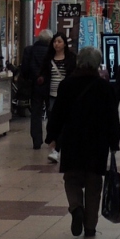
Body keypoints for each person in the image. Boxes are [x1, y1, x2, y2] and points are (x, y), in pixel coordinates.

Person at [46, 46, 120, 238]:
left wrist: (52, 136)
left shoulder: (67, 85)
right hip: (98, 142)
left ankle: (76, 207)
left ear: (78, 62)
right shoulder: (105, 87)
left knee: (72, 178)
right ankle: (90, 227)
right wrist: (114, 141)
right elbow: (112, 117)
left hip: (72, 139)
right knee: (94, 183)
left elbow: (57, 113)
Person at [40, 32, 76, 162]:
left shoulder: (71, 58)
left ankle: (57, 148)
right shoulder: (48, 58)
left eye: (59, 41)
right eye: (55, 41)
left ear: (65, 43)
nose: (57, 44)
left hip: (66, 94)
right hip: (51, 94)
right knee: (52, 121)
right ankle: (53, 142)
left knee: (63, 121)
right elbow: (43, 73)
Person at [20, 29, 52, 149]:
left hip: (35, 86)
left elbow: (24, 69)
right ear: (50, 40)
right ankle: (51, 138)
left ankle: (36, 141)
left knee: (36, 113)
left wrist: (32, 78)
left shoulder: (29, 50)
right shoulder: (52, 52)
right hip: (49, 86)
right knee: (51, 112)